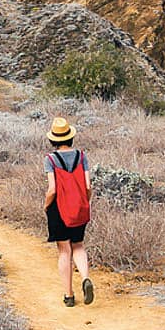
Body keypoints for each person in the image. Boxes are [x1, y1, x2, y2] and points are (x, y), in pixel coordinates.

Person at [44, 117, 94, 307]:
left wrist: (46, 205)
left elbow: (53, 189)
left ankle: (69, 296)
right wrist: (84, 202)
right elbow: (88, 186)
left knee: (64, 250)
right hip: (80, 207)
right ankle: (85, 278)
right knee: (78, 245)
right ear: (70, 137)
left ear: (53, 139)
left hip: (59, 209)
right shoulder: (82, 156)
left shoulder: (50, 159)